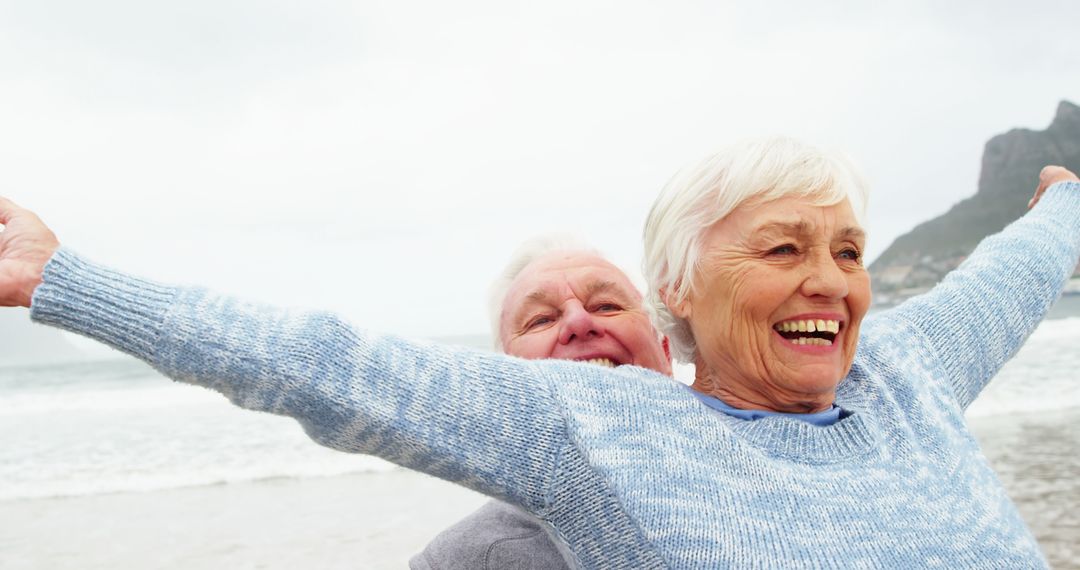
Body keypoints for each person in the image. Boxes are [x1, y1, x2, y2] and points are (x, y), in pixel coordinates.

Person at [3, 137, 1078, 567]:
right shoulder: (597, 433)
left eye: (847, 249)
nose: (831, 280)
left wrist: (1064, 209)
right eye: (784, 248)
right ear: (682, 294)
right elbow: (324, 363)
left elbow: (1017, 266)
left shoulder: (907, 371)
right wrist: (66, 281)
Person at [411, 235, 672, 570]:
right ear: (504, 379)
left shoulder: (753, 473)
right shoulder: (466, 559)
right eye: (541, 320)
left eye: (606, 306)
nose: (579, 323)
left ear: (665, 351)